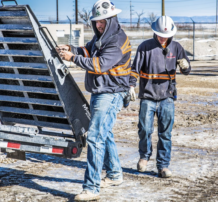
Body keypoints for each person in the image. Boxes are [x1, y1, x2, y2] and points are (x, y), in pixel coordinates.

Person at [56, 0, 135, 201]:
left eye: (103, 21)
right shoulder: (102, 36)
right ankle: (115, 174)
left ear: (112, 19)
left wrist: (72, 58)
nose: (99, 25)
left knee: (96, 137)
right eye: (96, 21)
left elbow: (98, 65)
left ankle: (91, 188)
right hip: (101, 91)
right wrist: (72, 49)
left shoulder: (117, 40)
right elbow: (89, 50)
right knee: (104, 133)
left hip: (111, 93)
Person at [129, 16, 191, 178]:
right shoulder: (145, 47)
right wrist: (130, 85)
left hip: (167, 97)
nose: (163, 37)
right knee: (144, 129)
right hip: (147, 96)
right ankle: (144, 156)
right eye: (159, 34)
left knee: (165, 133)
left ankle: (163, 166)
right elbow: (135, 69)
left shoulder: (176, 47)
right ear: (154, 32)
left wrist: (185, 66)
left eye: (166, 34)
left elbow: (186, 68)